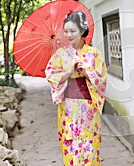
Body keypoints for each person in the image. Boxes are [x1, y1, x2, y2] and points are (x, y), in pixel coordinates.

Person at [45, 11, 107, 166]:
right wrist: (69, 72)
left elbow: (101, 79)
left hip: (88, 109)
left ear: (82, 30)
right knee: (70, 145)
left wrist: (86, 72)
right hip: (68, 108)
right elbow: (51, 76)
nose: (68, 35)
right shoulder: (60, 54)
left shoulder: (94, 54)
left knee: (89, 148)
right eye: (66, 31)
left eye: (72, 31)